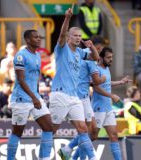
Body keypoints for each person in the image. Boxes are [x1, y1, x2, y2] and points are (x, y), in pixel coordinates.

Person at [48, 7, 99, 160]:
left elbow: (95, 58)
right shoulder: (62, 48)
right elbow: (62, 34)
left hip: (74, 97)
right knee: (51, 129)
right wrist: (67, 18)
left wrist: (91, 46)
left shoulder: (80, 53)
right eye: (75, 35)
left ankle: (92, 158)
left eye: (79, 36)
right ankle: (43, 153)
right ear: (69, 37)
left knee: (83, 128)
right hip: (60, 94)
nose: (78, 38)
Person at [6, 30, 53, 160]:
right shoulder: (20, 56)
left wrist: (37, 96)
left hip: (35, 98)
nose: (39, 39)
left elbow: (35, 77)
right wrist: (33, 98)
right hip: (21, 99)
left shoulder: (37, 55)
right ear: (27, 40)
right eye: (35, 37)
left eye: (39, 37)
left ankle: (44, 158)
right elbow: (21, 80)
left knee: (49, 127)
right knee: (17, 132)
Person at [91, 47, 131, 160]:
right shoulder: (96, 70)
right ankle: (69, 152)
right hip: (98, 107)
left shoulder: (106, 69)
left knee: (114, 135)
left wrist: (121, 82)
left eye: (112, 57)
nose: (111, 59)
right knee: (92, 137)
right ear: (102, 58)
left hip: (108, 108)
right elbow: (96, 88)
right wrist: (112, 96)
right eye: (108, 57)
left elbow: (108, 83)